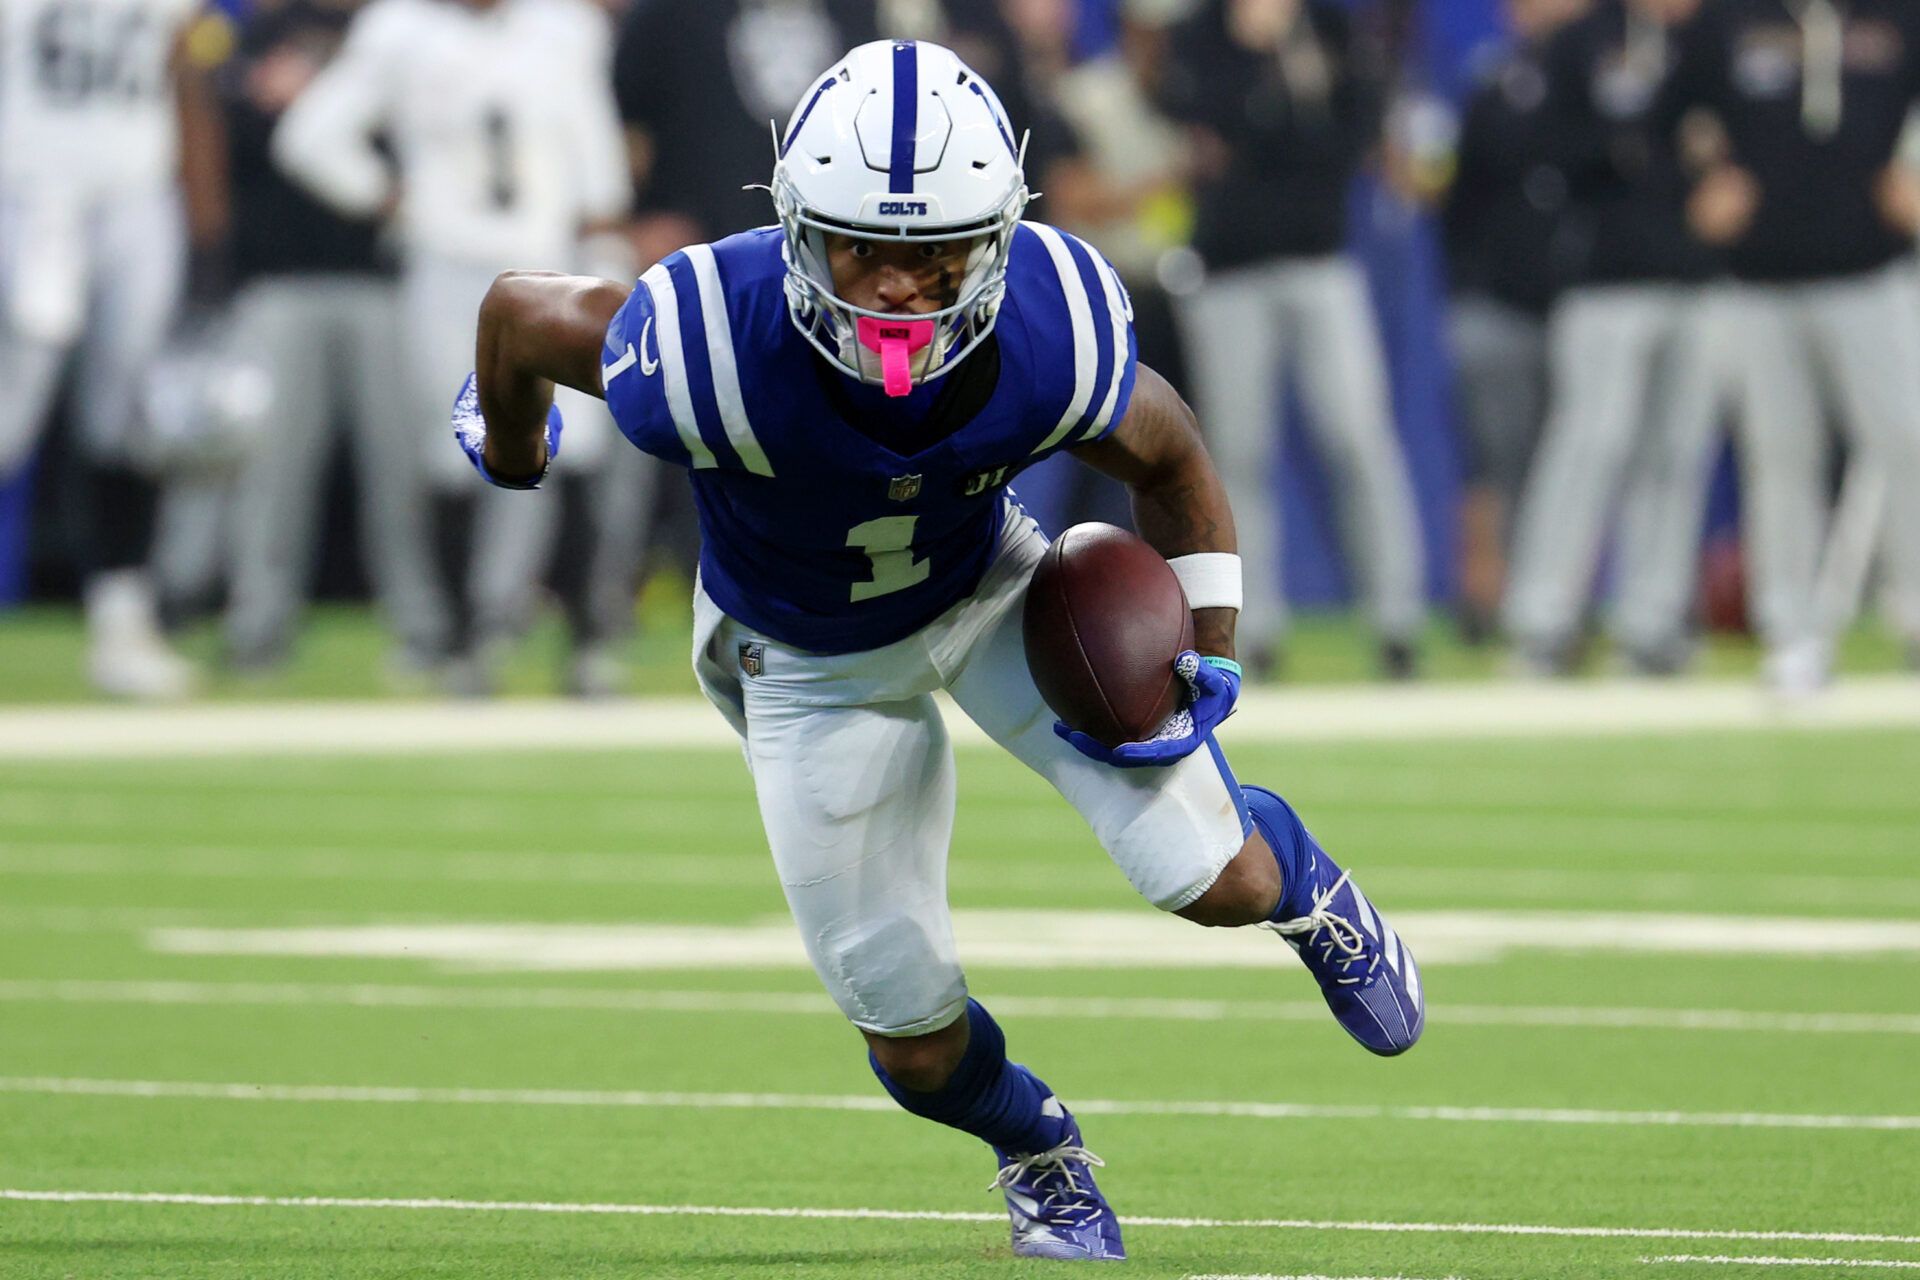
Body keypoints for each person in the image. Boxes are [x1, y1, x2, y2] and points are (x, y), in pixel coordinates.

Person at [455, 40, 1424, 1261]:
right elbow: (515, 317)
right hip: (802, 658)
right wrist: (509, 440)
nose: (901, 290)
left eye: (936, 255)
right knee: (911, 1043)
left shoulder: (1047, 325)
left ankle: (1311, 892)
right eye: (865, 248)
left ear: (996, 241)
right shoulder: (703, 339)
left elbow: (1171, 457)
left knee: (1212, 875)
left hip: (992, 589)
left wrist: (1209, 648)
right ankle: (1040, 1149)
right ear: (799, 229)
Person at [274, 0, 657, 694]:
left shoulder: (562, 27)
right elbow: (311, 136)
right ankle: (461, 643)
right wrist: (387, 197)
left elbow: (594, 153)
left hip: (552, 263)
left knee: (582, 454)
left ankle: (586, 645)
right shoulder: (398, 30)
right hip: (451, 269)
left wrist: (605, 249)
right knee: (454, 455)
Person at [1158, 0, 1426, 679]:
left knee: (1356, 435)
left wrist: (1283, 95)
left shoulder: (1327, 26)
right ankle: (1255, 628)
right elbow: (1205, 119)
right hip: (1228, 269)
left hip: (1320, 258)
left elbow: (1351, 132)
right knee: (1239, 452)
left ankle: (1398, 619)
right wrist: (1261, 63)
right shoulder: (1205, 30)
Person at [1660, 0, 1920, 693]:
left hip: (1871, 269)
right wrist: (1699, 184)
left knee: (1906, 439)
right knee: (1779, 456)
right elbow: (1664, 117)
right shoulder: (1729, 20)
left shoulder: (1894, 14)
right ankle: (1793, 631)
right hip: (1760, 278)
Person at [0, 0, 221, 698]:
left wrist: (208, 231)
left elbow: (184, 74)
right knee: (8, 415)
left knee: (128, 424)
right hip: (28, 193)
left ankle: (123, 626)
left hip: (136, 193)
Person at [213, 0, 441, 676]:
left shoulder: (408, 31)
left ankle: (426, 627)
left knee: (403, 467)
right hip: (278, 277)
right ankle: (258, 625)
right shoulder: (262, 32)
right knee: (272, 468)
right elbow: (232, 143)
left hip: (388, 277)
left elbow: (432, 144)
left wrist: (324, 102)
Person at [1502, 0, 1725, 675]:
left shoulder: (1714, 34)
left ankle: (1652, 624)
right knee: (1589, 447)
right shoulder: (1584, 40)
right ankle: (1542, 621)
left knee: (1678, 452)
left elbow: (1737, 140)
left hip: (1699, 277)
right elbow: (1547, 148)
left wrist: (1650, 147)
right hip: (1605, 280)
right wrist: (1647, 146)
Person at [1435, 0, 1586, 644]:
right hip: (1496, 297)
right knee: (1495, 461)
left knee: (1571, 460)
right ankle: (1487, 598)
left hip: (1579, 299)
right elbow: (1459, 193)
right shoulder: (1494, 80)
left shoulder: (1604, 71)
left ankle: (1555, 604)